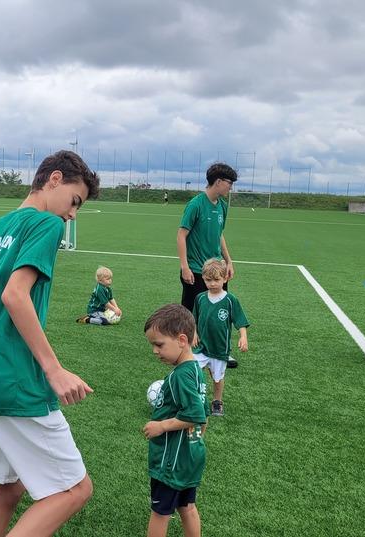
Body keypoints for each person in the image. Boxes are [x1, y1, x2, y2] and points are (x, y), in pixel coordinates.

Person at [0, 150, 100, 537]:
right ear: (54, 179)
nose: (73, 214)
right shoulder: (45, 225)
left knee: (10, 489)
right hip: (12, 379)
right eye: (75, 201)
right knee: (76, 489)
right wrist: (54, 369)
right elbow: (14, 295)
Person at [142, 303, 207, 537]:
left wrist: (161, 426)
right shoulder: (195, 370)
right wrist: (196, 441)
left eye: (159, 344)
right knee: (186, 506)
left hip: (172, 459)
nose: (155, 351)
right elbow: (204, 415)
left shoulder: (180, 376)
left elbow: (195, 414)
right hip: (189, 455)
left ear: (182, 340)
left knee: (160, 511)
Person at [177, 163, 238, 367]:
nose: (231, 188)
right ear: (218, 182)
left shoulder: (222, 206)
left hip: (217, 270)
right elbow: (181, 235)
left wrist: (228, 261)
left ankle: (221, 351)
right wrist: (185, 266)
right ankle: (185, 351)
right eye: (229, 183)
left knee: (220, 311)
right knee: (190, 312)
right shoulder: (196, 204)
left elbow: (219, 234)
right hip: (195, 270)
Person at [192, 258, 249, 416]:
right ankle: (194, 398)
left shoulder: (230, 300)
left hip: (219, 348)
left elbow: (240, 320)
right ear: (203, 278)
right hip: (201, 347)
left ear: (225, 278)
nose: (212, 284)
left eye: (217, 280)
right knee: (193, 370)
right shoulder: (200, 298)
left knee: (217, 378)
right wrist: (194, 333)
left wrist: (243, 336)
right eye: (208, 280)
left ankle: (217, 401)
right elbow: (194, 319)